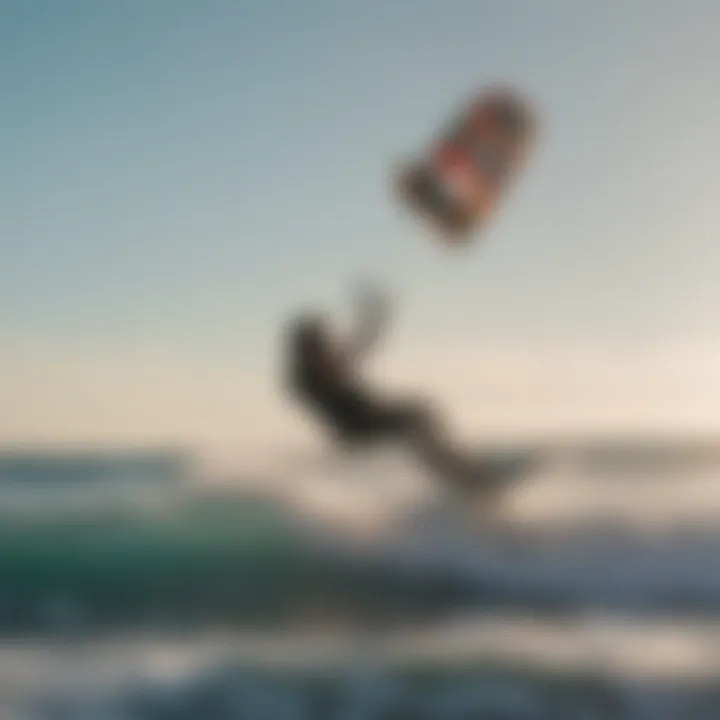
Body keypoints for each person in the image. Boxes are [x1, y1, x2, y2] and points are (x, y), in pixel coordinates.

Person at [284, 285, 471, 481]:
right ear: (309, 346)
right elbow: (337, 364)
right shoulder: (310, 373)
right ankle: (458, 474)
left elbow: (353, 349)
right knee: (417, 417)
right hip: (358, 428)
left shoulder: (315, 368)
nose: (327, 344)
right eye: (321, 342)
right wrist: (372, 319)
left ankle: (454, 469)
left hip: (363, 422)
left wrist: (373, 319)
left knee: (420, 414)